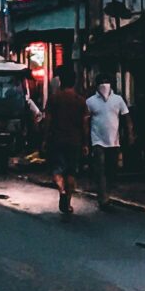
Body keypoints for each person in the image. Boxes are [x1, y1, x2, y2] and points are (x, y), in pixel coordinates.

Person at [44, 65, 89, 216]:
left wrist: (44, 138)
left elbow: (48, 121)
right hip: (75, 141)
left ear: (61, 81)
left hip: (57, 139)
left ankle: (61, 190)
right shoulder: (80, 101)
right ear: (74, 82)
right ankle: (68, 201)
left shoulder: (54, 98)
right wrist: (85, 143)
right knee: (71, 172)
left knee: (57, 169)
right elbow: (84, 124)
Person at [85, 77, 131, 209]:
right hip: (97, 141)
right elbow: (86, 122)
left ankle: (107, 193)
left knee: (111, 169)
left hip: (114, 141)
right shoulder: (90, 102)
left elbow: (126, 117)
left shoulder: (118, 100)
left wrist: (129, 134)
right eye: (101, 82)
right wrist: (86, 140)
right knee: (100, 168)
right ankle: (103, 199)